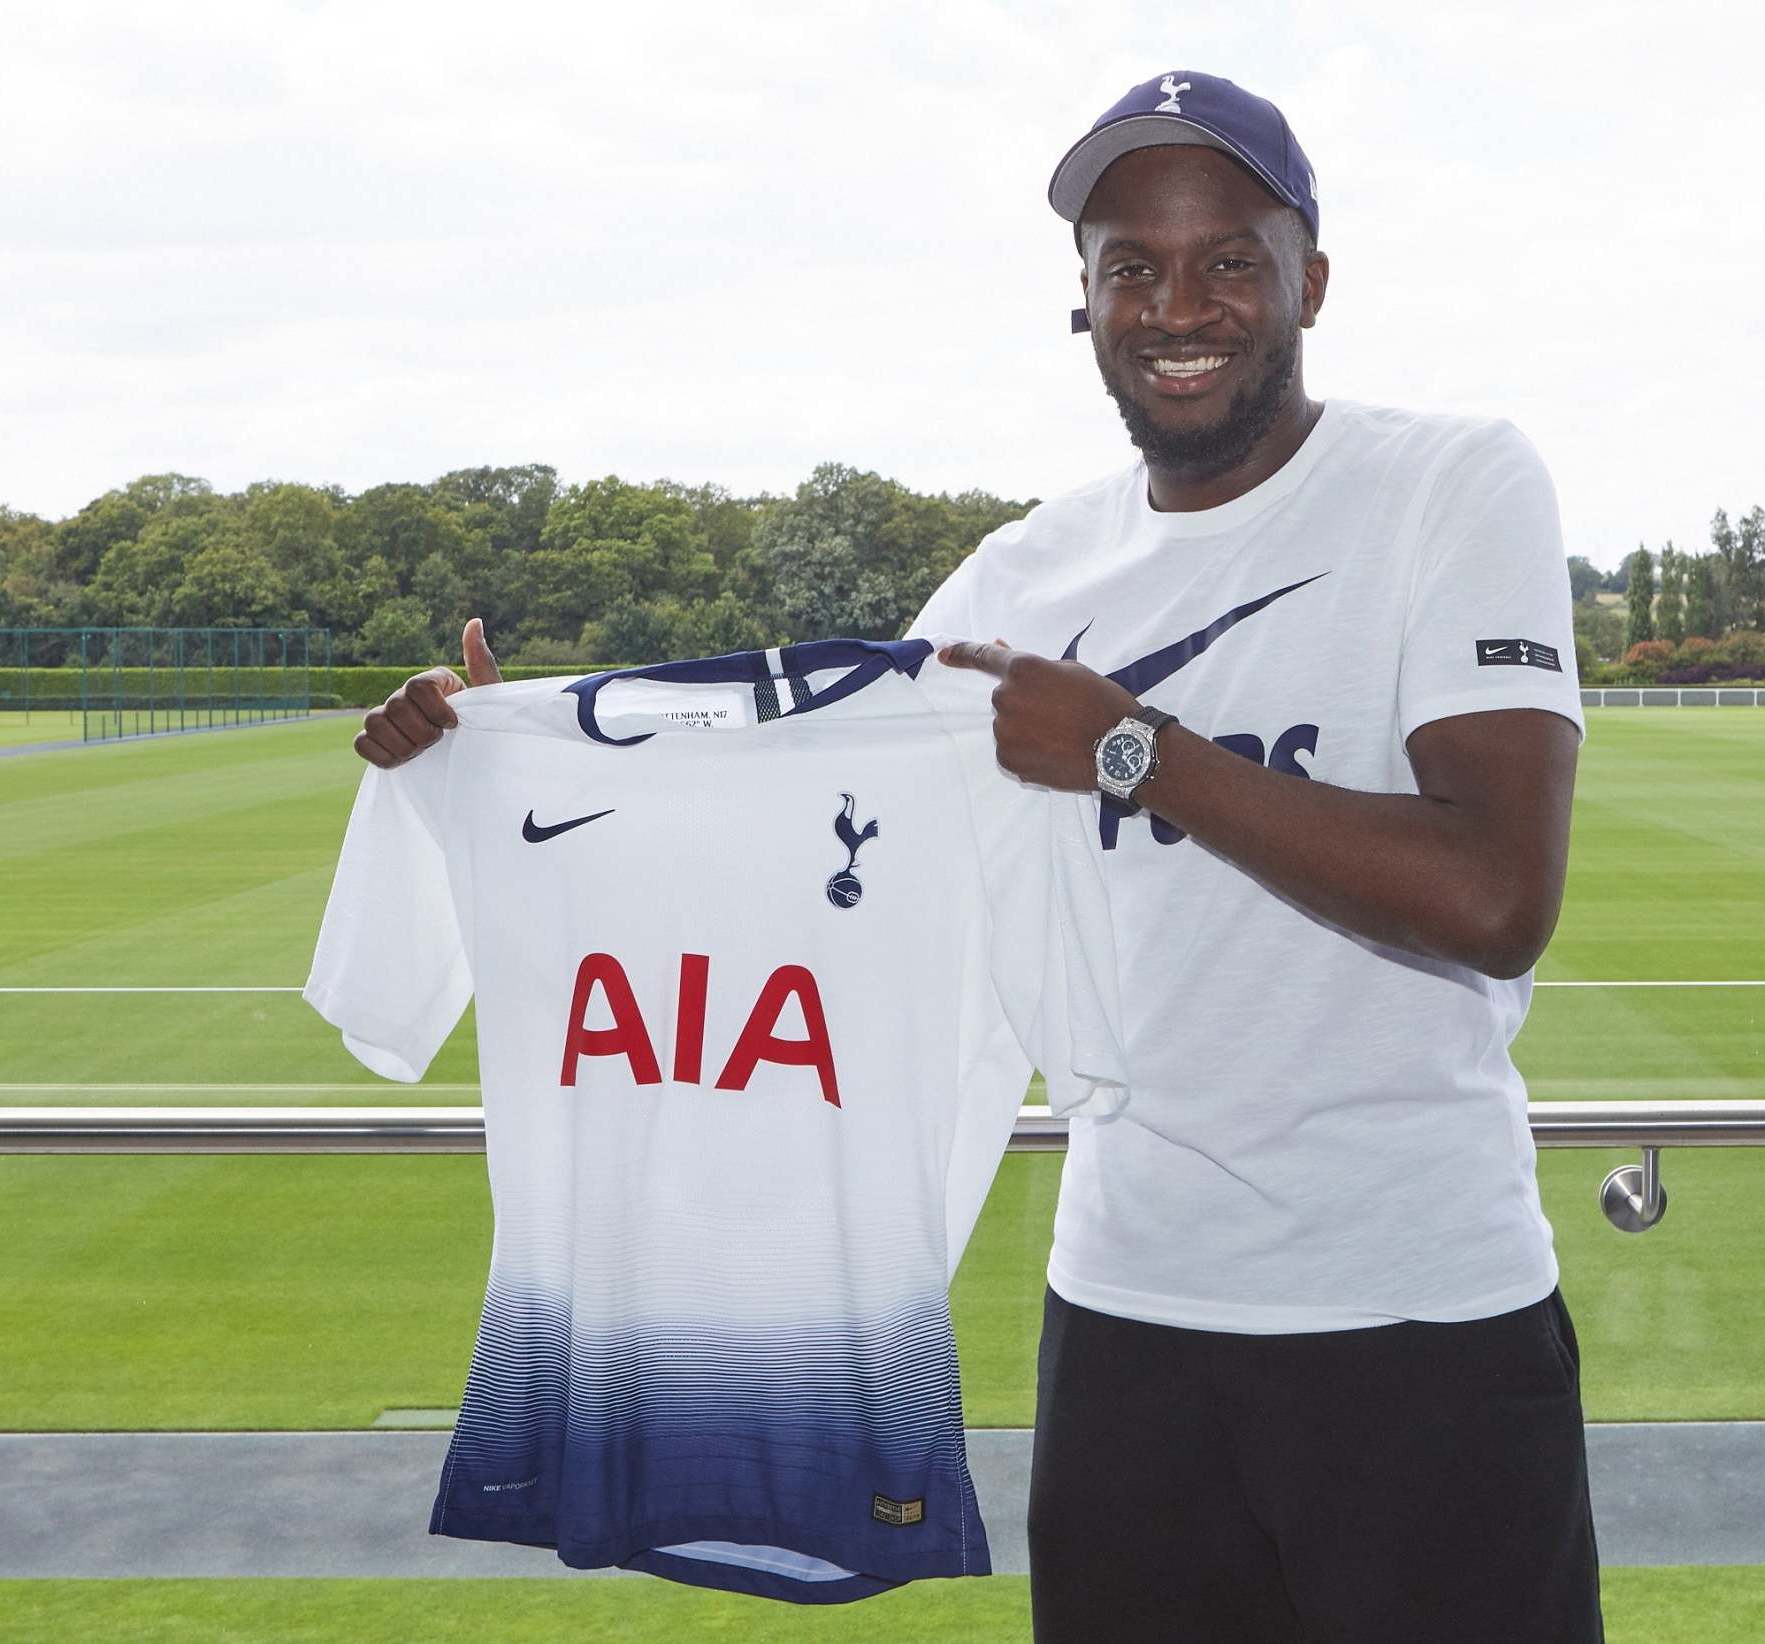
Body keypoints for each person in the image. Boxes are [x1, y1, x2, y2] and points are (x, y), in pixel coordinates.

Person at [355, 68, 1600, 1644]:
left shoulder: (1451, 482)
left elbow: (1495, 897)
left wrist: (1136, 749)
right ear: (1081, 306)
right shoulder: (1029, 569)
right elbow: (785, 800)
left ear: (1314, 279)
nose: (1178, 303)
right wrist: (506, 743)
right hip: (1130, 1319)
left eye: (1229, 255)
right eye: (1128, 266)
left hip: (1421, 1320)